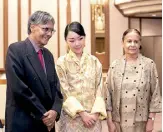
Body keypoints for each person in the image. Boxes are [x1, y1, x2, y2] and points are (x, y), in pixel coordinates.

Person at [5, 11, 63, 132]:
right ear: (32, 27)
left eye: (52, 30)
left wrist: (55, 111)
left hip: (47, 124)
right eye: (45, 29)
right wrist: (43, 115)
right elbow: (20, 89)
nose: (49, 34)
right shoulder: (16, 50)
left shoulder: (48, 56)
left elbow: (56, 87)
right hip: (24, 123)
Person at [106, 29, 162, 132]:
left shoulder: (149, 65)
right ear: (123, 43)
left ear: (140, 43)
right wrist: (109, 121)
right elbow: (107, 94)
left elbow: (155, 94)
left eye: (136, 41)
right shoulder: (115, 66)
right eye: (129, 41)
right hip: (119, 122)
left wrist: (151, 120)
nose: (132, 44)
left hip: (141, 122)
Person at [56, 21, 107, 132]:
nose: (77, 43)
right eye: (72, 40)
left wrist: (95, 113)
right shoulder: (61, 63)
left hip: (93, 119)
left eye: (80, 38)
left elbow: (100, 89)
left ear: (85, 39)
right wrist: (83, 114)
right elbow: (64, 92)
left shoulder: (94, 61)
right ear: (66, 41)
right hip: (71, 120)